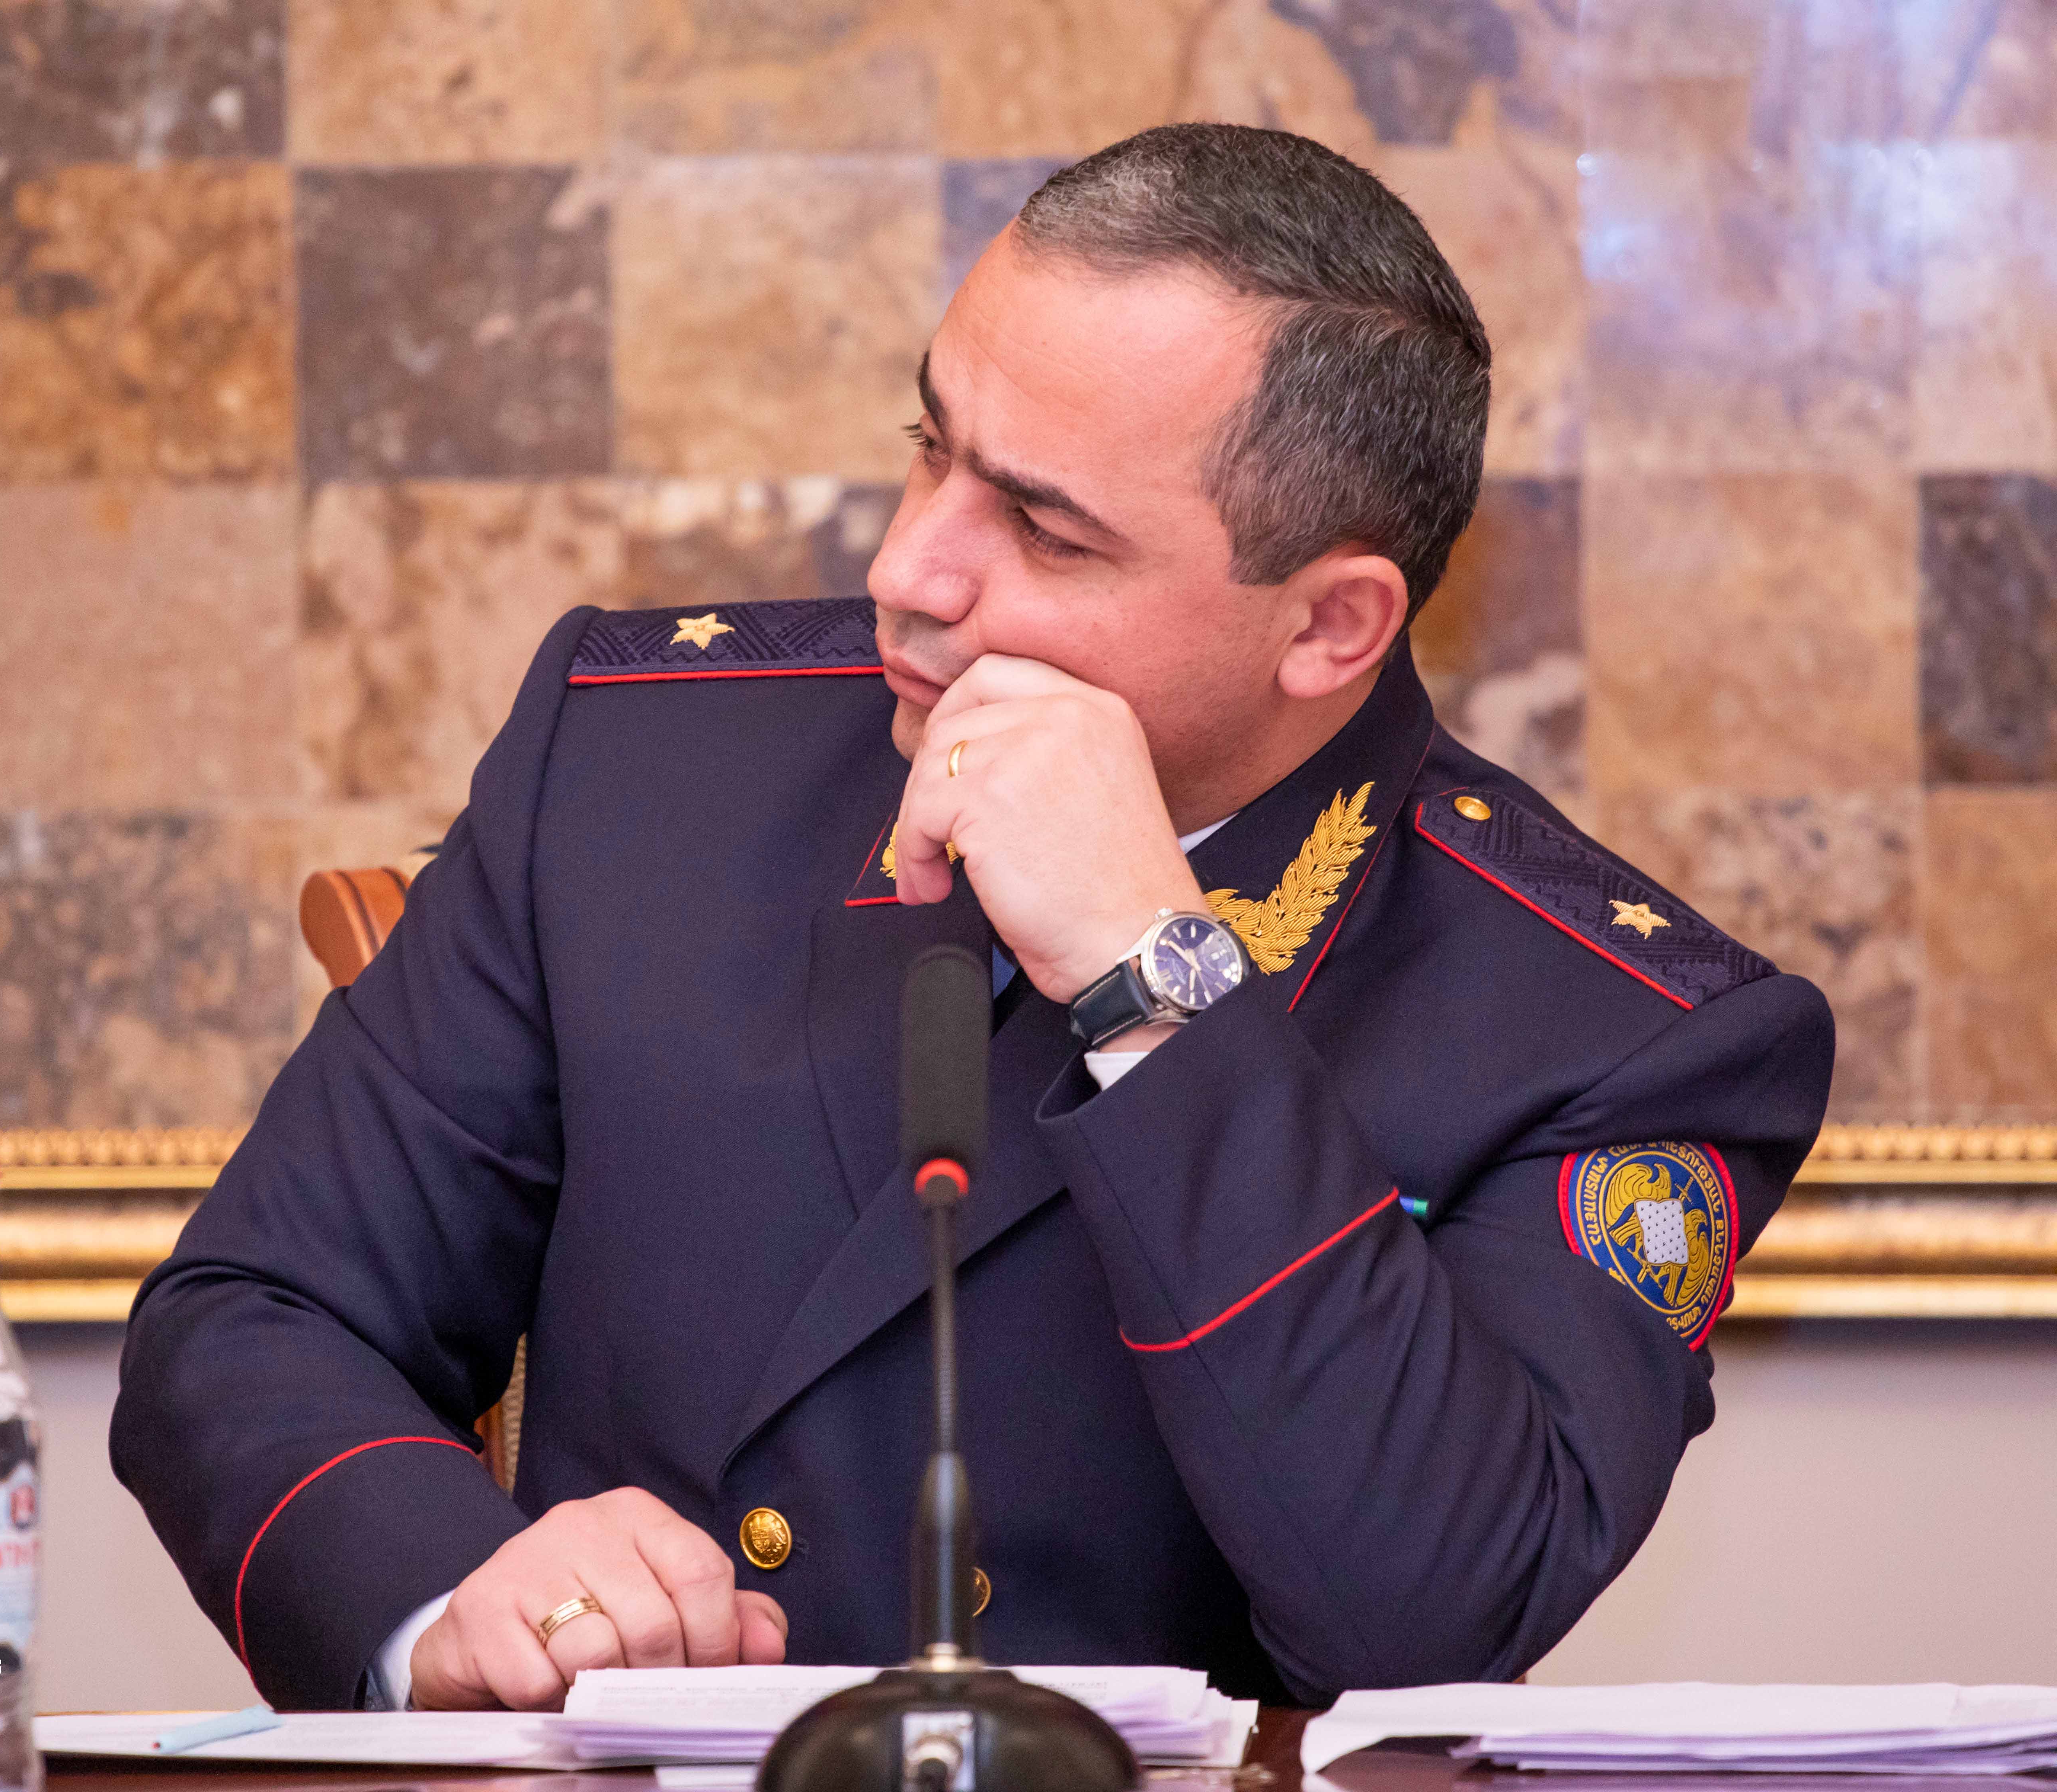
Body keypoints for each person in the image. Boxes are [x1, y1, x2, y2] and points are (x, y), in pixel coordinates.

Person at [112, 123, 1835, 1715]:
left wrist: (1158, 978)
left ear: (1329, 627)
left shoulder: (1618, 1028)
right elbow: (257, 1312)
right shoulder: (638, 760)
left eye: (1044, 530)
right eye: (931, 448)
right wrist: (455, 1598)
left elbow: (1428, 1618)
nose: (910, 572)